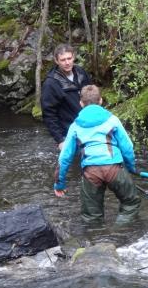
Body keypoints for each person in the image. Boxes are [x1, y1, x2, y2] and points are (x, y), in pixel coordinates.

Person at [53, 85, 141, 224]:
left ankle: (96, 240)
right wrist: (130, 168)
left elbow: (64, 157)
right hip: (114, 169)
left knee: (91, 216)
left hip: (91, 172)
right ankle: (120, 231)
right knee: (130, 203)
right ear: (100, 100)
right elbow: (128, 147)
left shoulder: (75, 126)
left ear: (81, 103)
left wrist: (60, 183)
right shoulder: (112, 120)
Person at [42, 44, 92, 150]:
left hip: (88, 127)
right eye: (63, 60)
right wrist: (60, 140)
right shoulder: (51, 84)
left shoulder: (81, 72)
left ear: (73, 57)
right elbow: (49, 114)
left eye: (69, 58)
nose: (67, 62)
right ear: (57, 61)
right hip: (68, 132)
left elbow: (91, 96)